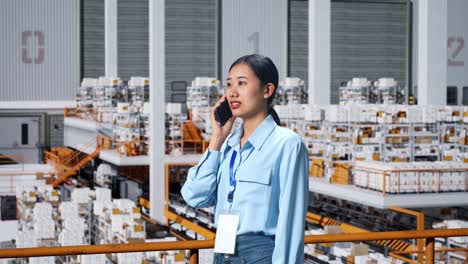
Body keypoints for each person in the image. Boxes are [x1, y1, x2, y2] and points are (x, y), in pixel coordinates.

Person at [181, 54, 309, 263]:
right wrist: (217, 139)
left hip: (260, 255)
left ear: (267, 90)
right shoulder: (228, 147)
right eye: (229, 84)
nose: (232, 92)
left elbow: (291, 220)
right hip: (222, 253)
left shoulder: (286, 144)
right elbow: (194, 196)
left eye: (242, 83)